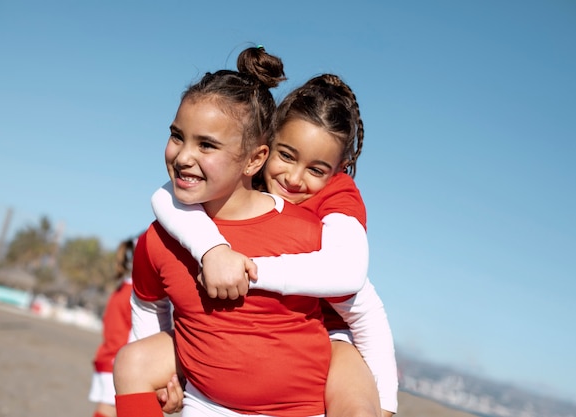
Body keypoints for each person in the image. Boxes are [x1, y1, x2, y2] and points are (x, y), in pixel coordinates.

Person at [149, 73, 398, 416]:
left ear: (338, 170)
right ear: (263, 149)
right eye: (286, 155)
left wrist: (385, 402)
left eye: (316, 169)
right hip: (261, 338)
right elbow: (165, 198)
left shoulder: (337, 197)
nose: (294, 178)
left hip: (331, 332)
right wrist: (212, 250)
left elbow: (354, 282)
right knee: (134, 363)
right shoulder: (248, 186)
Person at [114, 46, 334, 417]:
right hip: (203, 404)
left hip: (295, 410)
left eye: (207, 145)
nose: (183, 156)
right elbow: (147, 302)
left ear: (254, 159)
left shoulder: (306, 232)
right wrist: (164, 380)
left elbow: (353, 316)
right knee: (129, 362)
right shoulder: (157, 240)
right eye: (177, 136)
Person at [88, 237, 136, 417]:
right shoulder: (135, 294)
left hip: (106, 357)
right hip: (115, 362)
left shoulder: (121, 289)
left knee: (105, 411)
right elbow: (135, 334)